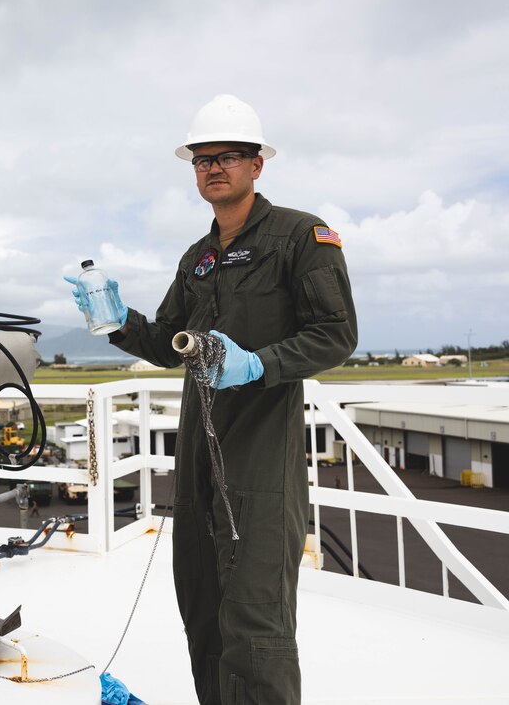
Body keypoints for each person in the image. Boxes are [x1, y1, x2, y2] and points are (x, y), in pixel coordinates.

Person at [66, 94, 357, 704]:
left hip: (261, 453)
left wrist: (258, 365)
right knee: (201, 606)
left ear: (257, 165)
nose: (212, 168)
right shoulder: (197, 257)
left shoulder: (301, 236)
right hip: (199, 455)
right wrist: (120, 321)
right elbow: (171, 345)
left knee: (256, 622)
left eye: (228, 157)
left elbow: (336, 335)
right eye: (201, 160)